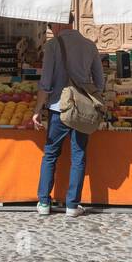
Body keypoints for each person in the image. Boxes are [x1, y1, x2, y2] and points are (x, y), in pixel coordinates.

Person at [32, 15, 104, 217]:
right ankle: (72, 205)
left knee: (51, 155)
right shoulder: (89, 45)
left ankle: (44, 203)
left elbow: (45, 83)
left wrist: (37, 110)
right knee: (79, 155)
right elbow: (99, 82)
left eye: (50, 25)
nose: (50, 29)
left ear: (59, 22)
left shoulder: (52, 45)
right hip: (82, 112)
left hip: (58, 109)